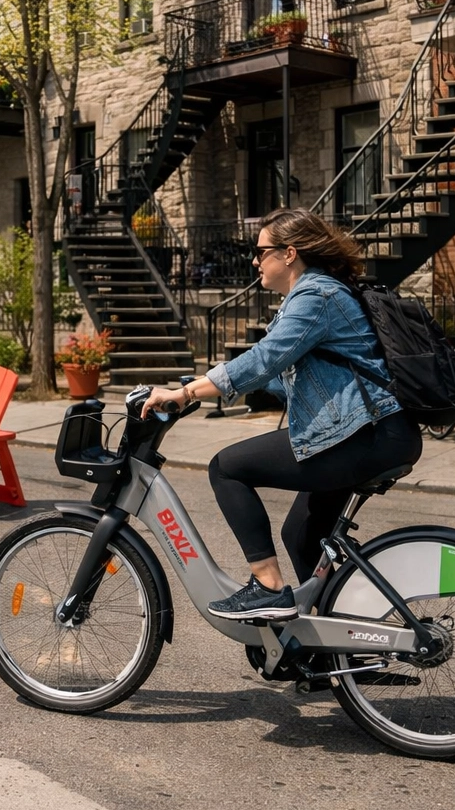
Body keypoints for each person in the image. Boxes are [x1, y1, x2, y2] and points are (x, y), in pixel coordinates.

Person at [140, 208, 422, 621]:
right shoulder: (312, 295)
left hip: (369, 434)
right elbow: (276, 376)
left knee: (227, 468)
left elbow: (264, 359)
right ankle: (342, 650)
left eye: (261, 251)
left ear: (289, 253)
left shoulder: (316, 295)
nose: (255, 261)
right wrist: (210, 390)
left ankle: (268, 586)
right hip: (372, 433)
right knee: (302, 536)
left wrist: (185, 393)